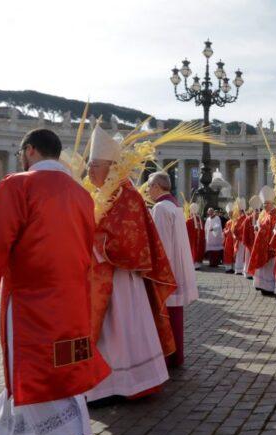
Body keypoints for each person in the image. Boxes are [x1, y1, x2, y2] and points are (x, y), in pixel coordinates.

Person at [0, 128, 110, 435]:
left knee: (35, 369)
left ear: (29, 150)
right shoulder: (80, 193)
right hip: (72, 297)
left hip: (33, 299)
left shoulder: (20, 185)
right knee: (63, 368)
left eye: (20, 153)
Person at [84, 126, 176, 404]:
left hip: (121, 278)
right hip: (99, 276)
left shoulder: (127, 196)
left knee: (121, 328)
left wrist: (93, 240)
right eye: (89, 165)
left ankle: (126, 383)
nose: (88, 170)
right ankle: (103, 384)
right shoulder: (101, 194)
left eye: (94, 165)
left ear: (110, 167)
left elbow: (130, 238)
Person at [147, 171, 199, 368]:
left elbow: (161, 243)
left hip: (166, 269)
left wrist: (157, 271)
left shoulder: (160, 208)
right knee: (175, 313)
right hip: (177, 267)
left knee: (166, 314)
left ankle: (168, 356)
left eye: (149, 186)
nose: (148, 191)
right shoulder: (175, 206)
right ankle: (176, 355)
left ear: (157, 186)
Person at [248, 186, 276, 296]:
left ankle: (269, 288)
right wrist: (257, 227)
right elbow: (259, 224)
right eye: (264, 204)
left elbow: (275, 227)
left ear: (272, 203)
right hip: (261, 243)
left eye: (267, 204)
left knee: (269, 267)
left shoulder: (275, 214)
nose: (265, 206)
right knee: (262, 267)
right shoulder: (264, 213)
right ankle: (261, 285)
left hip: (270, 245)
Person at [186, 203, 206, 269]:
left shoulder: (189, 221)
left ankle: (193, 264)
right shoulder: (200, 220)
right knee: (197, 250)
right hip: (198, 239)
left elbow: (185, 231)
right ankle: (196, 264)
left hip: (192, 240)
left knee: (193, 250)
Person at [222, 204, 236, 273]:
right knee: (228, 253)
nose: (230, 215)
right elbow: (225, 230)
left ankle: (234, 268)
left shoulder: (235, 221)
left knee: (234, 253)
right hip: (228, 240)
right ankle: (228, 268)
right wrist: (226, 231)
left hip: (234, 240)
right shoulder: (228, 222)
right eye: (229, 214)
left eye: (231, 213)